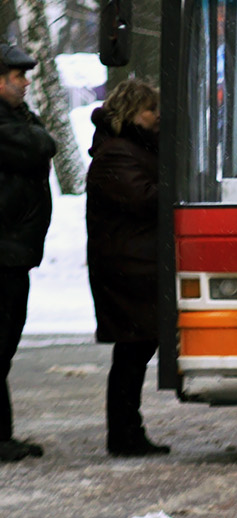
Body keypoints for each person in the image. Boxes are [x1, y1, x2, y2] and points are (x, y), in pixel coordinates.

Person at [86, 79, 169, 456]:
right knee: (132, 353)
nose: (157, 116)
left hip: (134, 265)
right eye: (151, 109)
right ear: (132, 111)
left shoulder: (131, 149)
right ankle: (123, 434)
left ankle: (127, 432)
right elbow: (146, 200)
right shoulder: (117, 154)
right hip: (127, 269)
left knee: (134, 352)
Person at [0, 43, 57, 461]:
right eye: (17, 76)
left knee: (3, 346)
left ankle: (3, 436)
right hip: (4, 252)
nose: (25, 82)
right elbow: (40, 145)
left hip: (13, 253)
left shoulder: (16, 119)